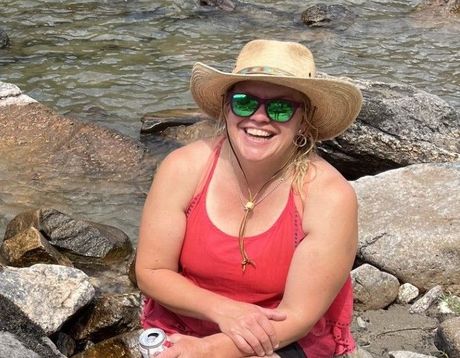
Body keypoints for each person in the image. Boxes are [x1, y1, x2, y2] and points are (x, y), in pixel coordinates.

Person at [136, 39, 363, 358]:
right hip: (184, 327)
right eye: (244, 102)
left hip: (278, 339)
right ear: (226, 107)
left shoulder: (329, 196)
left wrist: (209, 350)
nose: (259, 117)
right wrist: (224, 311)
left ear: (304, 120)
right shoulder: (183, 168)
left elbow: (297, 318)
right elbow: (151, 271)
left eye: (281, 108)